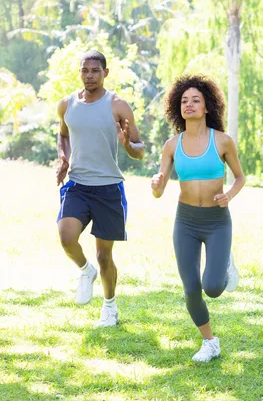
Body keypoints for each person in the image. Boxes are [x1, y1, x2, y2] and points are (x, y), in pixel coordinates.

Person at [150, 74, 245, 363]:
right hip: (186, 222)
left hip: (217, 221)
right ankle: (209, 341)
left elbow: (240, 177)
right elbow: (160, 188)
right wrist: (156, 185)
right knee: (191, 289)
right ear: (177, 108)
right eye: (184, 101)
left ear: (207, 107)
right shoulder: (171, 145)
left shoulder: (223, 141)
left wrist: (229, 194)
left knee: (213, 288)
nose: (189, 105)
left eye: (195, 100)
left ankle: (225, 262)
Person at [56, 50, 145, 327]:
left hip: (108, 188)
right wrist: (64, 157)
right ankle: (85, 271)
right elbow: (63, 133)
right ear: (80, 72)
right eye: (85, 70)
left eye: (95, 70)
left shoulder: (117, 105)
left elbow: (139, 150)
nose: (89, 75)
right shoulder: (67, 104)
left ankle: (109, 307)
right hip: (77, 184)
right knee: (66, 235)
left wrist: (127, 144)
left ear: (105, 73)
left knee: (104, 255)